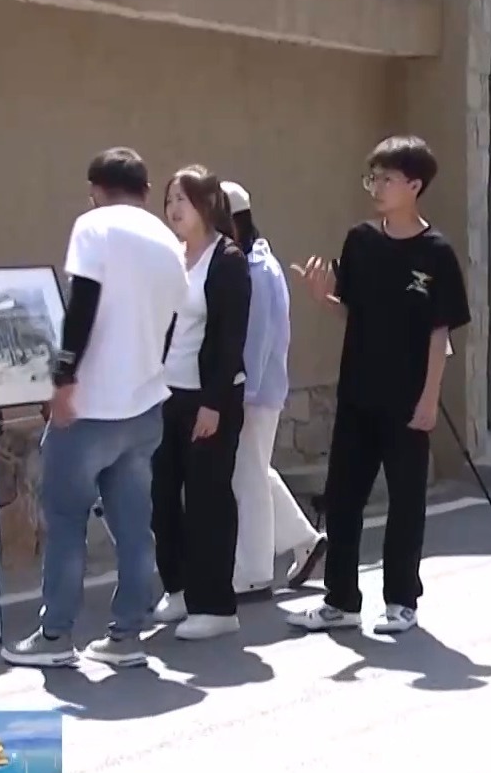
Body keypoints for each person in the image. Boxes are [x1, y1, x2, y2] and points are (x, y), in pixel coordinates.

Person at [4, 148, 190, 669]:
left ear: (95, 189)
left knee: (67, 521)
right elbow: (171, 325)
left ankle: (56, 635)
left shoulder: (94, 227)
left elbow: (81, 306)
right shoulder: (168, 242)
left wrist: (63, 379)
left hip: (92, 405)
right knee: (134, 528)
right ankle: (127, 636)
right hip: (144, 406)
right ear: (146, 191)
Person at [288, 136, 470, 635]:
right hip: (357, 394)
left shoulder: (437, 253)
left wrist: (430, 398)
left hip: (408, 399)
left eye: (387, 179)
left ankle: (401, 602)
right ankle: (340, 601)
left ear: (415, 185)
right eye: (373, 177)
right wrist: (322, 296)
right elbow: (350, 309)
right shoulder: (361, 241)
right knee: (342, 498)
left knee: (405, 502)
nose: (377, 187)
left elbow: (439, 333)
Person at [150, 166, 252, 640]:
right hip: (165, 393)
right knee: (162, 496)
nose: (174, 209)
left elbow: (231, 337)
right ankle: (179, 587)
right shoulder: (171, 255)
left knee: (208, 499)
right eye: (170, 199)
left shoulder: (227, 259)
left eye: (184, 200)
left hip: (210, 396)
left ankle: (216, 605)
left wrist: (213, 402)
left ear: (207, 204)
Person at [224, 181, 326, 596]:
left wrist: (240, 393)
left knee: (247, 479)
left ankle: (252, 572)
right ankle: (305, 539)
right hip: (251, 391)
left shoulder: (258, 271)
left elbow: (258, 340)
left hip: (253, 393)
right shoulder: (250, 263)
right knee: (253, 471)